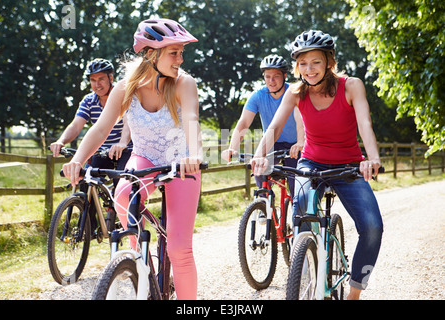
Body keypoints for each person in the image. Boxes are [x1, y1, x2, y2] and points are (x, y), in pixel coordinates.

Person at [62, 18, 202, 300]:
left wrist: (194, 154)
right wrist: (78, 159)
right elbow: (101, 128)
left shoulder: (184, 83)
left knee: (179, 249)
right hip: (145, 158)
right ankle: (139, 262)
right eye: (173, 52)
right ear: (151, 54)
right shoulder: (125, 87)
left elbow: (191, 120)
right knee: (123, 194)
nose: (180, 58)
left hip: (181, 162)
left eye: (181, 52)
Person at [250, 30, 383, 300]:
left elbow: (364, 124)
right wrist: (259, 154)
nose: (309, 69)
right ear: (297, 66)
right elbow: (274, 128)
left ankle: (355, 292)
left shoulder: (351, 85)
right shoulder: (296, 92)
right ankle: (307, 268)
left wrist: (372, 158)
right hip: (311, 163)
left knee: (372, 227)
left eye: (316, 62)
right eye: (303, 63)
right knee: (301, 211)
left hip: (349, 166)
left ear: (329, 62)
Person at [221, 54, 304, 197]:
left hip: (294, 145)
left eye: (276, 76)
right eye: (267, 76)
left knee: (295, 183)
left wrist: (300, 142)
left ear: (284, 75)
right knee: (258, 168)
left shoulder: (293, 93)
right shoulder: (258, 96)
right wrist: (232, 148)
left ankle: (298, 212)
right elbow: (244, 123)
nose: (271, 81)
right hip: (271, 143)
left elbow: (300, 121)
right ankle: (264, 203)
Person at [49, 58, 132, 169]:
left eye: (101, 79)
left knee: (122, 180)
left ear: (110, 78)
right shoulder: (88, 101)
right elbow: (76, 125)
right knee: (86, 178)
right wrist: (61, 141)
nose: (97, 84)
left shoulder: (123, 95)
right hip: (101, 151)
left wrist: (122, 143)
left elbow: (129, 122)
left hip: (124, 149)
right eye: (93, 80)